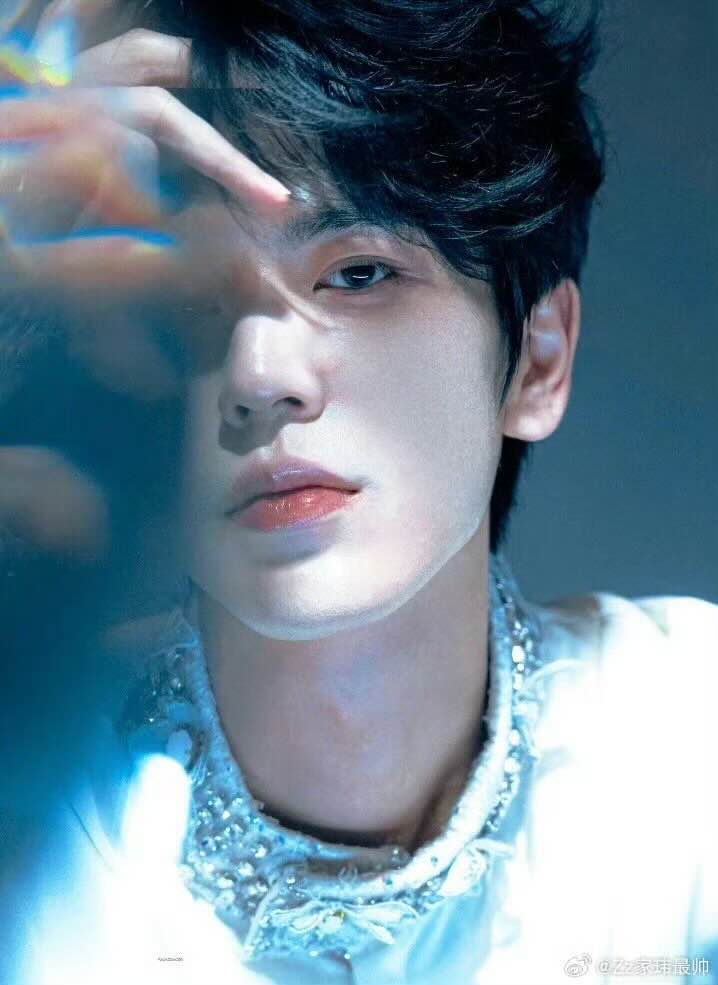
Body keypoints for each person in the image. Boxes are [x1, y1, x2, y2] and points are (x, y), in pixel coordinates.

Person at [1, 1, 716, 983]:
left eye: (359, 273)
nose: (261, 372)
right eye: (196, 300)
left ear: (538, 360)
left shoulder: (683, 737)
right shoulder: (32, 800)